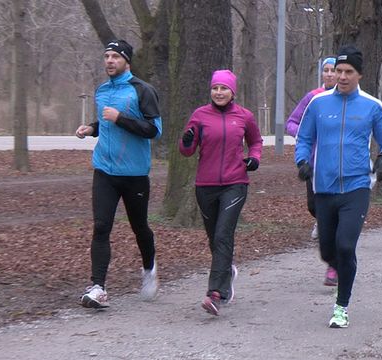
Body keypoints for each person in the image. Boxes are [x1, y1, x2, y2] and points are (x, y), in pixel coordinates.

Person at [295, 45, 382, 328]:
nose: (341, 76)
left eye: (348, 72)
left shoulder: (371, 106)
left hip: (356, 187)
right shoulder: (318, 104)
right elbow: (303, 138)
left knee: (345, 245)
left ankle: (341, 306)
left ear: (359, 74)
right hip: (324, 187)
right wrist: (302, 161)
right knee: (328, 251)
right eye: (338, 71)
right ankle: (342, 270)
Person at [75, 40, 163, 308]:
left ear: (127, 61)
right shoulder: (101, 91)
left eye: (115, 56)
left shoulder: (142, 90)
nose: (109, 61)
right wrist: (91, 129)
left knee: (140, 228)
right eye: (106, 56)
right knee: (101, 226)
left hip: (134, 174)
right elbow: (106, 123)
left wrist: (119, 119)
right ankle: (98, 287)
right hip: (104, 170)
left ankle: (149, 270)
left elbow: (153, 129)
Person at [179, 69, 263, 316]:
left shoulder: (244, 116)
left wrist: (254, 159)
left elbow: (256, 141)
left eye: (223, 88)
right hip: (205, 185)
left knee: (223, 234)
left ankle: (215, 293)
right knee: (214, 238)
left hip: (235, 182)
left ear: (232, 91)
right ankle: (227, 272)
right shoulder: (200, 115)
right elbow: (186, 151)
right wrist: (186, 140)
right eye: (215, 88)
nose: (218, 92)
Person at [286, 56, 339, 287]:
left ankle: (334, 266)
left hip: (338, 165)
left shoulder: (347, 98)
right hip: (313, 163)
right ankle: (323, 221)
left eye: (333, 70)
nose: (329, 74)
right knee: (313, 206)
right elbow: (292, 122)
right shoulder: (312, 97)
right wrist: (305, 135)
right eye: (326, 70)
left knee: (335, 211)